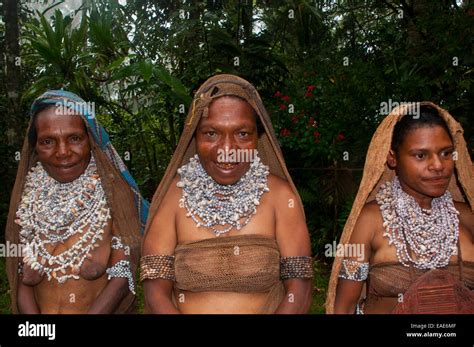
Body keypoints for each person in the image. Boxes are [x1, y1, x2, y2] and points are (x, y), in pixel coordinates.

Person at [141, 74, 313, 314]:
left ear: (258, 137)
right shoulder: (173, 198)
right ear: (195, 136)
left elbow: (300, 289)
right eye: (211, 133)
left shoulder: (281, 198)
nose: (227, 149)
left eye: (242, 133)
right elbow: (155, 291)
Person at [5, 90, 149, 313]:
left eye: (74, 138)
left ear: (90, 140)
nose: (62, 152)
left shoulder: (113, 197)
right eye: (47, 141)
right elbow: (20, 278)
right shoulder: (27, 201)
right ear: (34, 146)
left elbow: (122, 276)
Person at [326, 102, 474, 314]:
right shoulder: (369, 219)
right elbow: (344, 307)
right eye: (421, 155)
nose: (438, 165)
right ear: (392, 158)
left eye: (446, 153)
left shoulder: (468, 217)